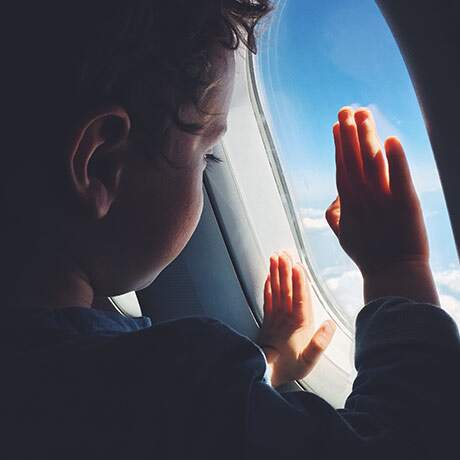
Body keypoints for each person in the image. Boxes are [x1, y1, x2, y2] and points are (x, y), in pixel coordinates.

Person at [0, 1, 458, 459]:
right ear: (101, 164)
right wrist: (396, 271)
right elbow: (409, 443)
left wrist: (268, 359)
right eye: (207, 157)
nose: (206, 169)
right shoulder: (157, 386)